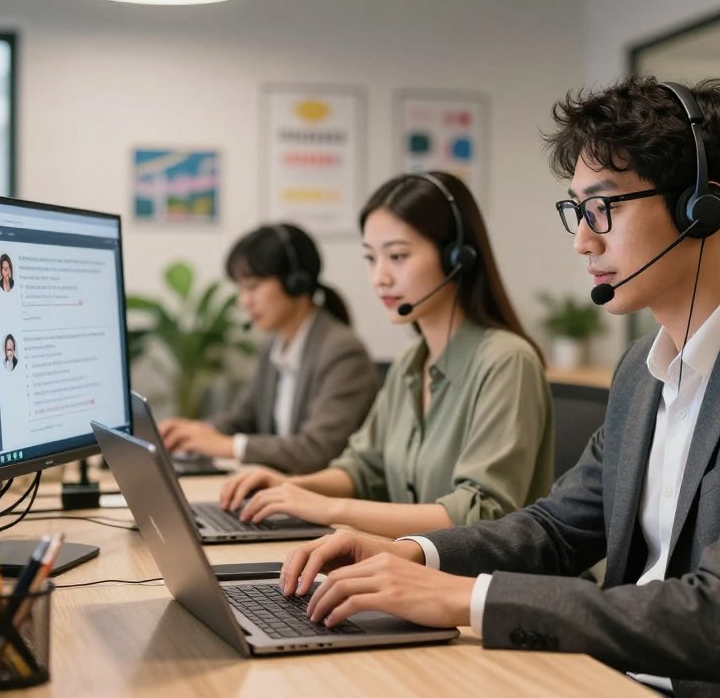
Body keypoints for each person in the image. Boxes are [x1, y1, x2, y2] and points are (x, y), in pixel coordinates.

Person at [278, 78, 720, 698]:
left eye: (604, 207)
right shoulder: (644, 367)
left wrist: (467, 598)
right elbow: (557, 528)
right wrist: (414, 554)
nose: (583, 239)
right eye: (577, 211)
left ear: (702, 209)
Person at [221, 172, 554, 538]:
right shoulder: (411, 362)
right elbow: (363, 467)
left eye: (397, 256)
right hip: (407, 571)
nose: (379, 277)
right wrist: (294, 485)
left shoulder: (507, 361)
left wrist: (330, 508)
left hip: (478, 585)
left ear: (457, 257)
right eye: (370, 258)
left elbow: (481, 512)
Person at [159, 223, 379, 475]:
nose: (244, 301)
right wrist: (195, 433)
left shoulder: (342, 351)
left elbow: (317, 450)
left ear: (295, 283)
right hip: (285, 493)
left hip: (326, 501)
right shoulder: (275, 346)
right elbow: (244, 418)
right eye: (240, 289)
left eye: (253, 287)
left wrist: (228, 446)